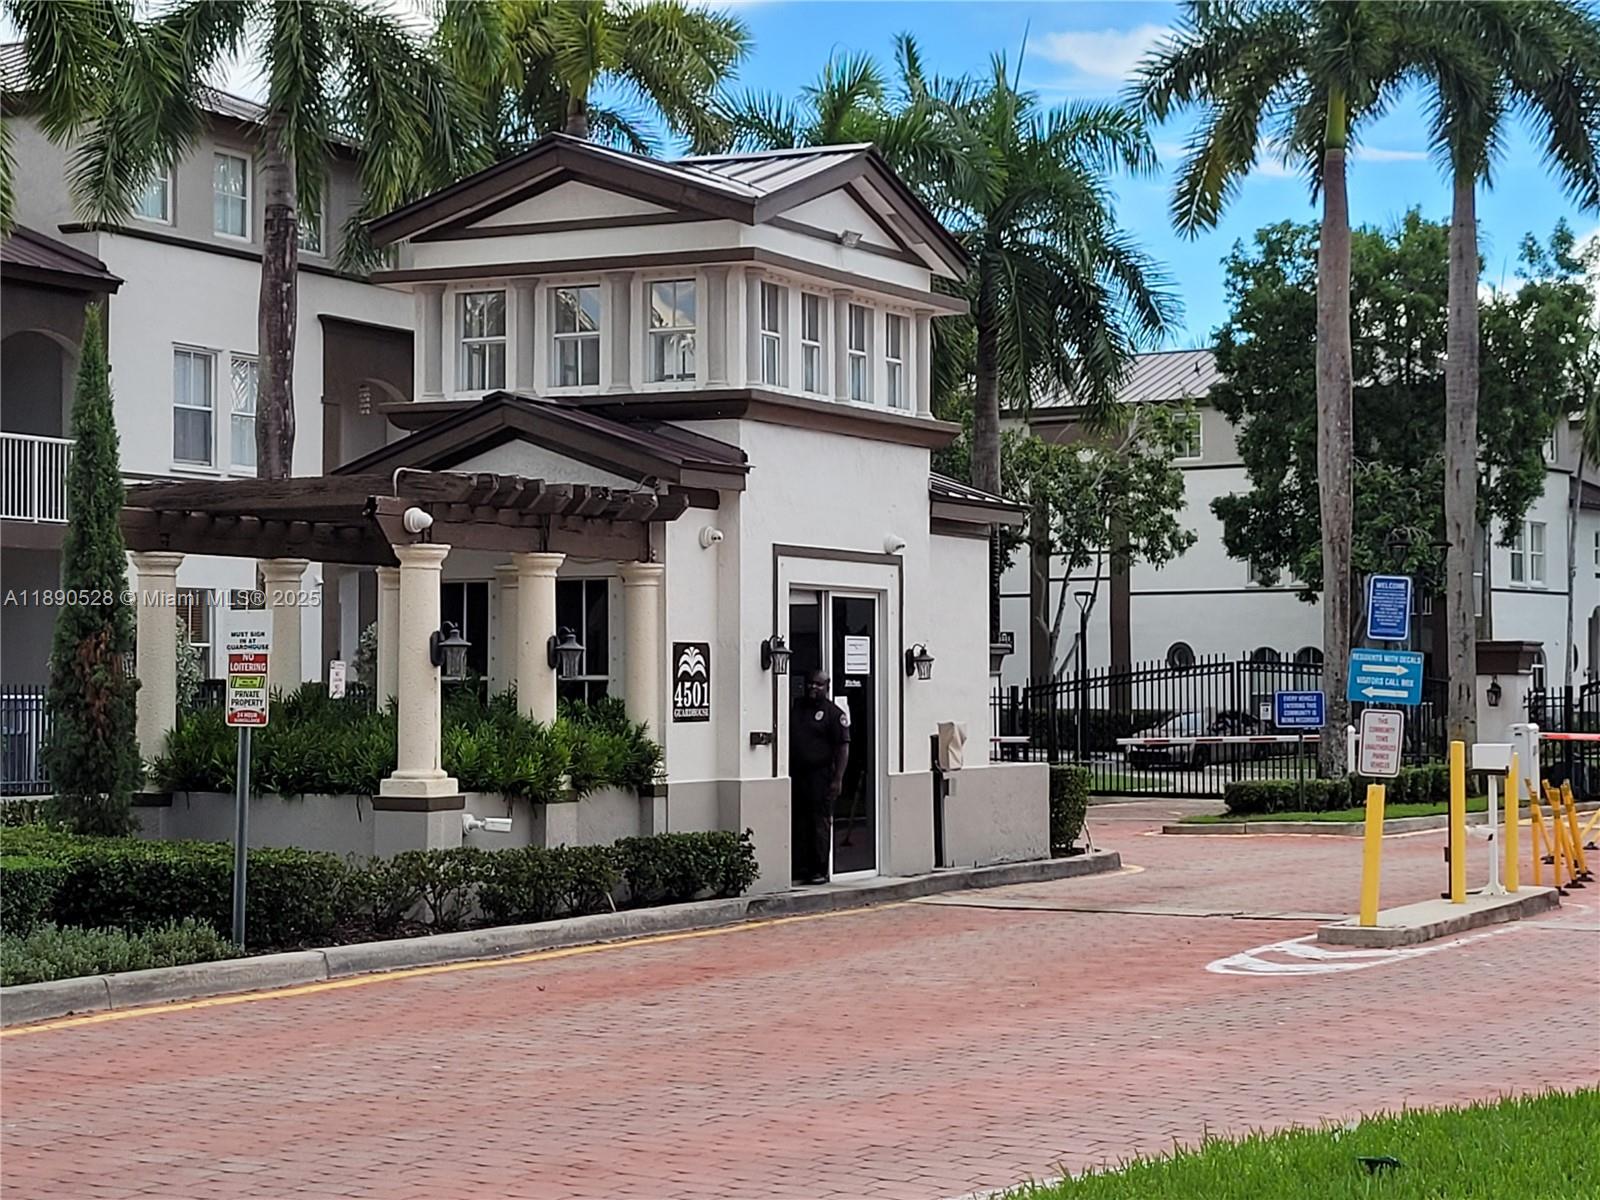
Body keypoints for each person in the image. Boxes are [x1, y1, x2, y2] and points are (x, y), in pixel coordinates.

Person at [789, 668, 850, 885]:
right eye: (811, 683)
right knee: (800, 821)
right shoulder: (798, 708)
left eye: (818, 684)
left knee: (819, 822)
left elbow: (843, 748)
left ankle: (819, 869)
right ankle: (801, 866)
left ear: (827, 687)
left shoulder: (834, 714)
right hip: (799, 774)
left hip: (821, 775)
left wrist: (837, 778)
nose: (813, 687)